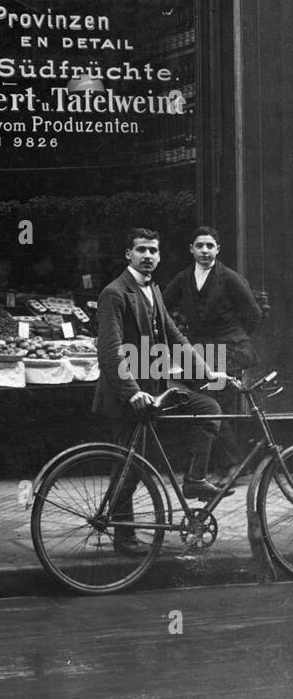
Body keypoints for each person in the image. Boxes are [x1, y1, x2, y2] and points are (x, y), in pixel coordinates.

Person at [93, 227, 232, 555]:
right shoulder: (115, 293)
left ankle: (195, 480)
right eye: (141, 250)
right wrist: (131, 392)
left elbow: (174, 336)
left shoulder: (152, 289)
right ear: (129, 254)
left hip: (155, 387)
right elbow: (110, 350)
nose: (148, 257)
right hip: (127, 393)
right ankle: (122, 534)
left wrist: (207, 370)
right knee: (132, 463)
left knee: (208, 407)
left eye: (153, 251)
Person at [162, 226, 264, 484]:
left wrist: (233, 336)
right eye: (200, 246)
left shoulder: (229, 278)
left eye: (210, 246)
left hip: (229, 350)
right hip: (202, 353)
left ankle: (230, 465)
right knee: (211, 405)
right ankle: (228, 464)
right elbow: (162, 306)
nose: (205, 251)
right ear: (191, 250)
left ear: (218, 249)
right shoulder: (184, 278)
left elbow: (253, 313)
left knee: (214, 404)